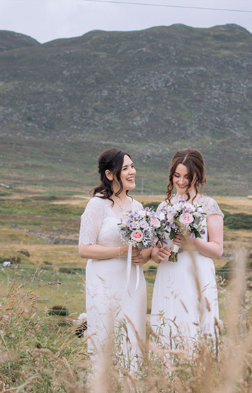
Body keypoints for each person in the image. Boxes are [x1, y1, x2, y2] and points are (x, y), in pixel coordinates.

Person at [78, 148, 150, 366]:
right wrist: (121, 251)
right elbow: (85, 249)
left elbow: (145, 248)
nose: (132, 172)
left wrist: (143, 255)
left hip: (133, 285)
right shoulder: (97, 205)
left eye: (132, 166)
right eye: (125, 168)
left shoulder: (137, 207)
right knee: (105, 336)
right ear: (110, 174)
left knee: (131, 338)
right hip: (104, 283)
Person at [150, 148, 224, 348]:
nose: (181, 181)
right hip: (168, 272)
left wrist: (192, 243)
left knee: (194, 324)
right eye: (177, 176)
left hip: (196, 271)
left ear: (197, 176)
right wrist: (158, 254)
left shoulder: (208, 205)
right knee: (167, 323)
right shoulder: (163, 207)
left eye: (187, 177)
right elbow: (156, 251)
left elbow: (217, 250)